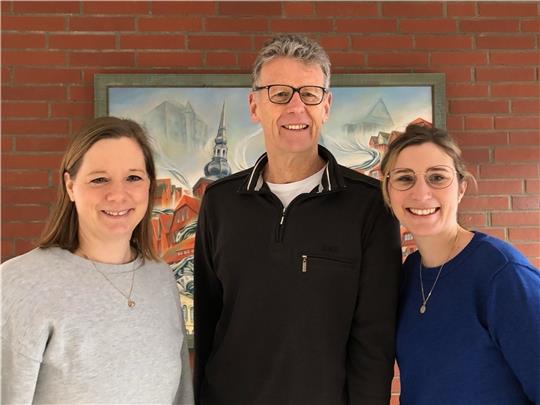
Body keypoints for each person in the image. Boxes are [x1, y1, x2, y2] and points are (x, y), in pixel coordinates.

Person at [194, 34, 402, 405]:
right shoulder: (220, 202)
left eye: (309, 93)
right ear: (255, 105)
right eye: (279, 93)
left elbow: (374, 341)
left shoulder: (370, 206)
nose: (296, 107)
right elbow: (209, 321)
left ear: (326, 106)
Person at [1, 117, 194, 404]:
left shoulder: (160, 279)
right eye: (99, 179)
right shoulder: (21, 282)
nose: (118, 194)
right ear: (70, 185)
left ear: (148, 186)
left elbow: (180, 397)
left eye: (133, 178)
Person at [380, 124, 540, 405]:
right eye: (405, 179)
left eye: (437, 177)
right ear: (388, 191)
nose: (421, 193)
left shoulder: (501, 273)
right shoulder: (407, 274)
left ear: (461, 189)